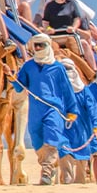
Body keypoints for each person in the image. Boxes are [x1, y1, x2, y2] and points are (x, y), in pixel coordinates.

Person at [13, 32, 81, 185]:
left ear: (47, 46)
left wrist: (72, 111)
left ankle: (47, 170)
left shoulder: (58, 68)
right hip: (35, 110)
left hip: (54, 109)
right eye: (35, 45)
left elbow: (67, 90)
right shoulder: (28, 66)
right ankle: (49, 167)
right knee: (37, 142)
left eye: (41, 45)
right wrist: (11, 78)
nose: (38, 48)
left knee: (51, 139)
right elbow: (20, 87)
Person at [59, 60, 97, 184]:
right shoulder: (57, 91)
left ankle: (80, 180)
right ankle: (67, 179)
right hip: (63, 127)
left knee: (82, 153)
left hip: (82, 128)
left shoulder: (84, 91)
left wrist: (96, 125)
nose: (67, 71)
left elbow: (93, 108)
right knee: (64, 150)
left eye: (69, 68)